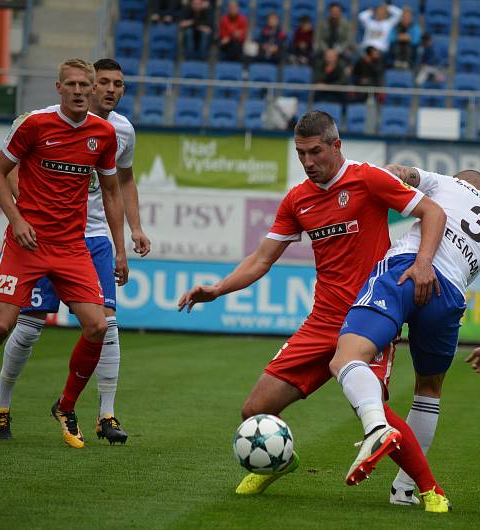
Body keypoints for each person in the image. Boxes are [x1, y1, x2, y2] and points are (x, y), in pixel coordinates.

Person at [177, 111, 452, 512]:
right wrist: (218, 289)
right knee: (254, 410)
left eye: (315, 152)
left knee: (376, 412)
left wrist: (423, 262)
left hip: (368, 317)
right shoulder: (298, 199)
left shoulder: (368, 178)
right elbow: (262, 258)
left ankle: (430, 490)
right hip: (321, 321)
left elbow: (433, 212)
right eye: (300, 153)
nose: (307, 162)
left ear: (336, 146)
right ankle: (278, 462)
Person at [330, 164, 480, 507]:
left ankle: (377, 427)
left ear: (461, 181)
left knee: (347, 358)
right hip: (448, 296)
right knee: (429, 391)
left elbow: (396, 172)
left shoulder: (446, 182)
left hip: (408, 269)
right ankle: (404, 489)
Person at [0, 58, 151, 445]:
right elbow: (4, 171)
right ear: (69, 87)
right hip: (35, 240)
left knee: (103, 326)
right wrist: (21, 216)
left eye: (117, 84)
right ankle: (2, 405)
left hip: (84, 241)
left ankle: (98, 413)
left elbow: (119, 185)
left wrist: (128, 236)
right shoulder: (35, 122)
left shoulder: (117, 131)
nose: (108, 90)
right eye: (101, 83)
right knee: (17, 327)